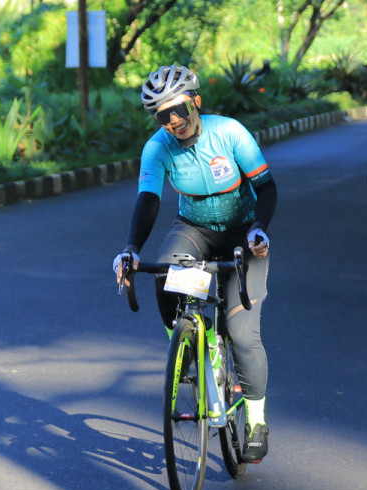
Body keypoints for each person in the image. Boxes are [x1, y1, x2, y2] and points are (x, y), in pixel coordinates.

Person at [112, 64, 277, 462]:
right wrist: (132, 247)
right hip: (194, 229)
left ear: (196, 102)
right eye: (163, 116)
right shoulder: (157, 147)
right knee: (165, 275)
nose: (174, 121)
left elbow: (266, 186)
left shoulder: (229, 132)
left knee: (242, 334)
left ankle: (256, 420)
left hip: (243, 233)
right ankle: (188, 344)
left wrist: (259, 228)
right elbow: (148, 199)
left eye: (180, 110)